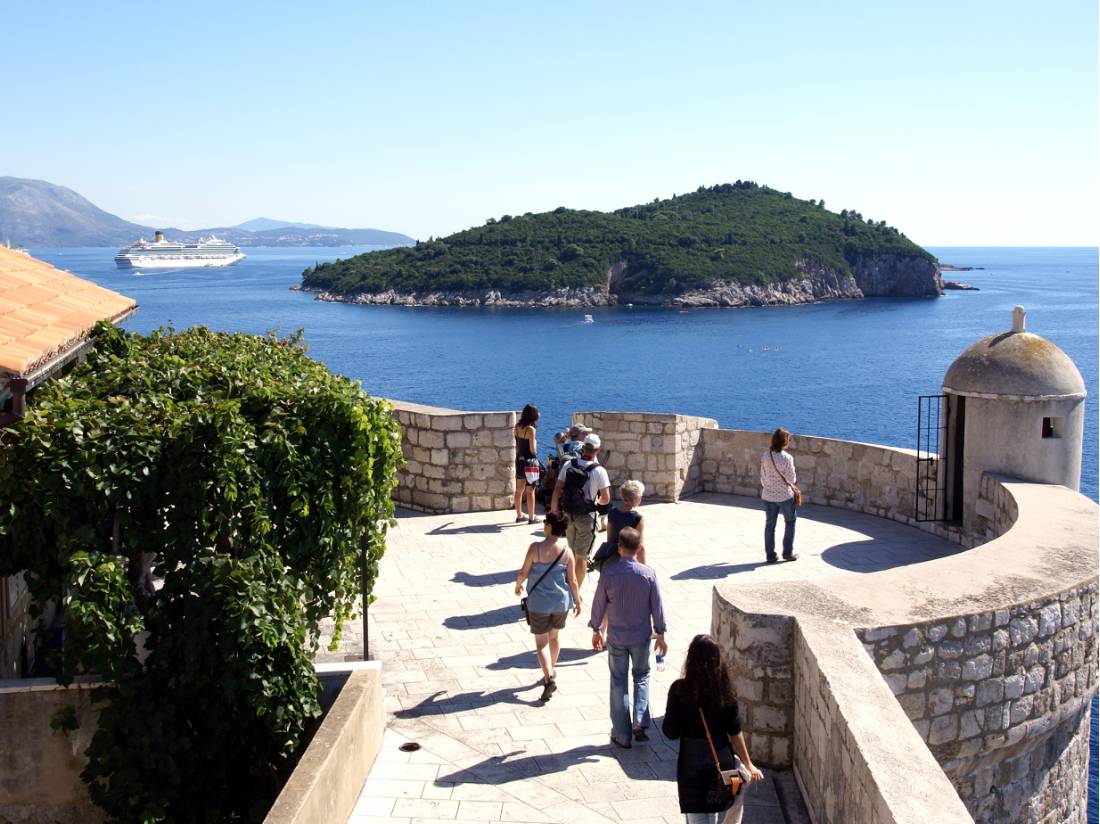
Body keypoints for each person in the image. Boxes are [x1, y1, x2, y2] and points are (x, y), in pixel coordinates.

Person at [662, 634, 764, 824]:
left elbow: (670, 732)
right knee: (715, 816)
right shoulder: (725, 692)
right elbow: (734, 730)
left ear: (690, 660)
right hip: (720, 765)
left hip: (691, 768)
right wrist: (747, 763)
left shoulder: (679, 690)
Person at [589, 527, 666, 747]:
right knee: (642, 676)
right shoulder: (648, 574)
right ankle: (640, 722)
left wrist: (596, 630)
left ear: (619, 548)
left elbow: (598, 604)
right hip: (641, 636)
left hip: (617, 637)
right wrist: (660, 633)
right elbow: (657, 607)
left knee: (618, 681)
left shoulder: (609, 574)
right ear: (639, 548)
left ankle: (621, 734)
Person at [514, 511, 581, 701]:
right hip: (560, 603)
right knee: (555, 637)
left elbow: (524, 571)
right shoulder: (567, 552)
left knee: (541, 642)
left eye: (545, 523)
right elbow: (573, 580)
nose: (543, 525)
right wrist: (577, 601)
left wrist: (518, 585)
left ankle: (548, 677)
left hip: (538, 604)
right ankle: (552, 668)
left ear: (550, 527)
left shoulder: (535, 548)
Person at [550, 433, 610, 590]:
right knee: (582, 557)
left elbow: (557, 490)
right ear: (597, 451)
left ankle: (570, 585)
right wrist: (596, 502)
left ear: (582, 448)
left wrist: (554, 511)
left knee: (572, 552)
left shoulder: (569, 464)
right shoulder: (599, 471)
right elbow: (606, 499)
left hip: (568, 514)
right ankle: (574, 592)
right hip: (587, 517)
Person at [759, 427, 798, 563]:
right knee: (790, 522)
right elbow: (792, 479)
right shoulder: (788, 458)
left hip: (768, 495)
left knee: (770, 525)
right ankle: (787, 553)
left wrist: (768, 487)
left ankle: (770, 555)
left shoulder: (766, 455)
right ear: (784, 442)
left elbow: (763, 476)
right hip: (785, 496)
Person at [590, 479, 646, 573]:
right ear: (637, 498)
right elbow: (640, 547)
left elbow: (610, 539)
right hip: (629, 560)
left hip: (613, 558)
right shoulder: (638, 518)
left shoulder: (612, 512)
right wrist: (644, 569)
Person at [514, 404, 540, 524]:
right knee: (530, 491)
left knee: (519, 490)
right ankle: (531, 517)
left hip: (520, 461)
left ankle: (519, 516)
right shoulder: (531, 430)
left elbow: (519, 445)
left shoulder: (517, 426)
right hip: (530, 463)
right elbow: (533, 450)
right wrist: (535, 441)